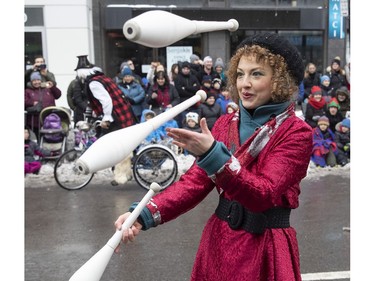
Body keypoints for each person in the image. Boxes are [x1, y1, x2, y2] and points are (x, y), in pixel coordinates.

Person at [114, 33, 312, 281]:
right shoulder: (225, 124)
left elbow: (263, 194)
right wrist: (142, 215)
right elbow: (194, 184)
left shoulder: (296, 133)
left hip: (265, 249)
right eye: (240, 74)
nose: (244, 84)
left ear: (280, 80)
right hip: (219, 242)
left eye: (256, 74)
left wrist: (214, 156)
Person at [24, 71, 62, 139]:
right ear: (31, 81)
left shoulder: (48, 89)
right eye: (34, 80)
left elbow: (58, 95)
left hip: (49, 119)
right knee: (38, 139)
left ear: (41, 80)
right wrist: (32, 102)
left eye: (38, 80)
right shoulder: (28, 91)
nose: (36, 82)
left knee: (50, 138)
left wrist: (52, 87)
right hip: (34, 121)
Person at [174, 61, 201, 127]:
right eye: (184, 69)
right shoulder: (178, 78)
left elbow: (197, 88)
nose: (186, 70)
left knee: (195, 124)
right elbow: (179, 91)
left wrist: (186, 88)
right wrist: (191, 89)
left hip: (193, 105)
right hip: (183, 105)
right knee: (184, 124)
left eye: (187, 69)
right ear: (182, 69)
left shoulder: (193, 77)